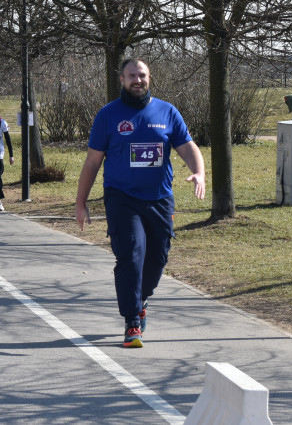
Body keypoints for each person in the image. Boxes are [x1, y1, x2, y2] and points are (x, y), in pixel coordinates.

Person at [75, 58, 205, 349]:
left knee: (157, 259)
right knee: (131, 255)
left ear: (149, 78)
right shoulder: (108, 115)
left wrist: (199, 172)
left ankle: (141, 298)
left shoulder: (167, 112)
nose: (138, 80)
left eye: (142, 75)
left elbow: (187, 147)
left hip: (159, 199)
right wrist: (81, 202)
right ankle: (132, 320)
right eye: (132, 75)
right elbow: (92, 162)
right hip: (122, 197)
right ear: (121, 79)